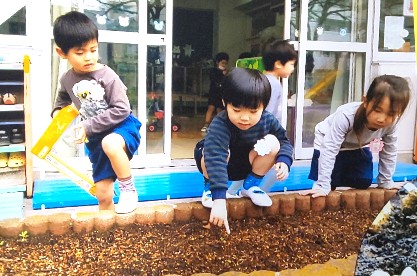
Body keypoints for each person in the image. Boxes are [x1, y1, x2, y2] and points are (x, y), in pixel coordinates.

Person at [52, 11, 141, 214]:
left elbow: (122, 109)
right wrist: (58, 112)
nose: (89, 57)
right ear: (62, 53)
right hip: (96, 137)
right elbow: (63, 99)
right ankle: (107, 233)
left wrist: (87, 125)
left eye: (93, 50)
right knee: (102, 194)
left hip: (122, 127)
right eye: (80, 52)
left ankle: (129, 190)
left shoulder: (107, 76)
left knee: (109, 143)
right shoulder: (67, 79)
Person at [194, 67, 294, 233]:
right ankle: (209, 189)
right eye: (237, 110)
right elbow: (216, 157)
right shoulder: (220, 123)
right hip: (216, 164)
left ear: (263, 106)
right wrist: (219, 199)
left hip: (246, 163)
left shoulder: (268, 120)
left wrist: (284, 160)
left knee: (273, 142)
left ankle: (251, 186)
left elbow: (284, 141)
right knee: (212, 150)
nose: (245, 117)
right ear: (225, 103)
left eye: (253, 111)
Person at [300, 75, 411, 198]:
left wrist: (386, 181)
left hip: (357, 145)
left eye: (391, 113)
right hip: (327, 142)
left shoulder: (391, 124)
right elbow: (329, 149)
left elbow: (389, 151)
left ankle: (338, 176)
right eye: (377, 110)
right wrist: (323, 185)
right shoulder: (346, 116)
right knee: (328, 185)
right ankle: (329, 181)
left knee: (363, 180)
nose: (381, 119)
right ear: (366, 101)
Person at [258, 39, 298, 192]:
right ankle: (259, 191)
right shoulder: (273, 84)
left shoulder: (266, 81)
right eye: (292, 64)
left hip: (269, 135)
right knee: (281, 165)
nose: (292, 69)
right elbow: (267, 112)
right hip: (270, 136)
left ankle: (250, 189)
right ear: (278, 64)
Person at [201, 52, 229, 132]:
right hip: (213, 92)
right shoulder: (213, 70)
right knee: (211, 108)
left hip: (221, 93)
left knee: (220, 109)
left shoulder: (226, 72)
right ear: (217, 62)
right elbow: (214, 80)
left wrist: (225, 74)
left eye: (225, 63)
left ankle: (219, 125)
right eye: (222, 63)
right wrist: (221, 74)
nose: (224, 65)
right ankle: (206, 124)